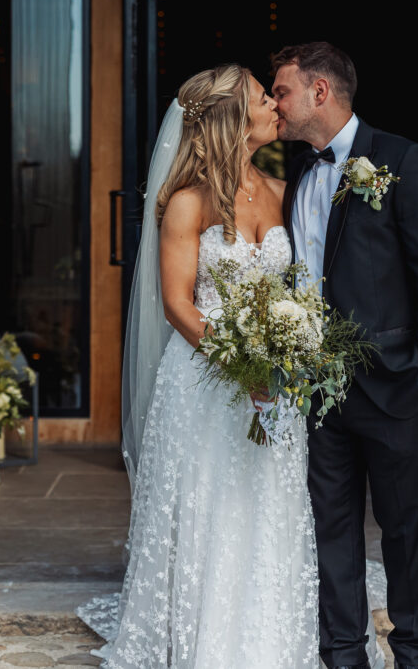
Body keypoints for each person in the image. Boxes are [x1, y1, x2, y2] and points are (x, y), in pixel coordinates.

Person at [102, 63, 320, 668]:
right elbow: (176, 305)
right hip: (204, 382)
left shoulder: (280, 191)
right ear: (232, 117)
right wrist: (242, 364)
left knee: (265, 502)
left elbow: (297, 293)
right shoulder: (187, 202)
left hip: (272, 386)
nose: (277, 107)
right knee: (210, 506)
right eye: (262, 98)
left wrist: (282, 358)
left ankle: (268, 633)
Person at [272, 42, 418, 669]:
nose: (276, 104)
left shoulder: (404, 161)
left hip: (395, 387)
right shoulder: (299, 171)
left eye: (282, 91)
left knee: (406, 531)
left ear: (320, 92)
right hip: (317, 391)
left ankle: (413, 655)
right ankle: (343, 657)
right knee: (331, 532)